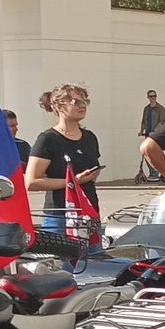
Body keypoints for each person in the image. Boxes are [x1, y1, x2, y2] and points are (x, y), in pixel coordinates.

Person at [28, 85, 102, 230]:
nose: (82, 106)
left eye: (84, 102)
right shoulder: (48, 139)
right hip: (61, 216)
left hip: (89, 213)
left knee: (95, 254)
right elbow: (31, 182)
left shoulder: (89, 137)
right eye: (75, 102)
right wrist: (73, 181)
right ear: (59, 106)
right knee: (62, 254)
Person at [138, 89, 165, 179]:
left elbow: (162, 122)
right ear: (148, 97)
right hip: (148, 134)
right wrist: (141, 131)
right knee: (146, 153)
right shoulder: (146, 109)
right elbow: (143, 121)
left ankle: (158, 172)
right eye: (151, 96)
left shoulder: (161, 109)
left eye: (154, 96)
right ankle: (152, 172)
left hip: (156, 134)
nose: (153, 98)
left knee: (155, 153)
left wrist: (155, 131)